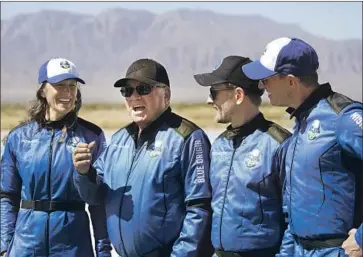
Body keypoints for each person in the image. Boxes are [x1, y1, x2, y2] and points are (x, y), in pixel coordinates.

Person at [72, 58, 214, 257]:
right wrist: (84, 172)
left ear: (166, 94)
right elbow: (94, 195)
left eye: (143, 89)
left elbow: (200, 209)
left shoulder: (188, 138)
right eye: (127, 91)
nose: (134, 97)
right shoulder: (120, 140)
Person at [242, 37, 363, 257]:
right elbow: (293, 212)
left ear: (290, 81)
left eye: (266, 79)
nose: (261, 86)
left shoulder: (343, 118)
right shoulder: (301, 124)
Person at [0, 58, 112, 257]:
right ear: (43, 90)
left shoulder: (91, 136)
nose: (68, 93)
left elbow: (98, 200)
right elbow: (7, 196)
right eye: (60, 86)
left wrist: (103, 251)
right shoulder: (19, 138)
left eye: (72, 86)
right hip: (25, 247)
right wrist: (4, 247)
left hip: (73, 248)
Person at [193, 55, 291, 257]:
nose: (209, 100)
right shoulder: (219, 145)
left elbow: (295, 219)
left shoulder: (280, 145)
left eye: (214, 92)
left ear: (238, 95)